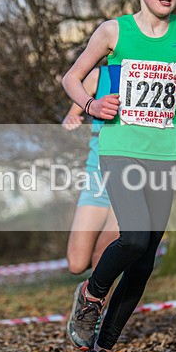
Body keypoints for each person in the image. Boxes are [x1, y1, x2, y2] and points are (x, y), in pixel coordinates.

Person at [62, 0, 176, 352]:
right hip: (120, 148)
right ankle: (90, 296)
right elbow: (70, 77)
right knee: (134, 238)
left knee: (143, 264)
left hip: (163, 155)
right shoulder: (113, 31)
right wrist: (90, 103)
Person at [62, 67, 119, 275]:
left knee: (102, 257)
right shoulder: (99, 76)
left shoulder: (151, 74)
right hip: (97, 175)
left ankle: (94, 305)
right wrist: (70, 120)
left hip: (131, 179)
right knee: (76, 263)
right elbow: (71, 116)